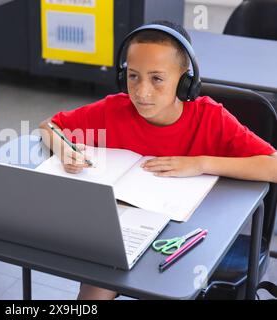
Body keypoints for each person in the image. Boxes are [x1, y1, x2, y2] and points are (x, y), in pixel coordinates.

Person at [38, 20, 277, 300]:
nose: (142, 92)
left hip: (189, 236)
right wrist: (64, 148)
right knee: (94, 289)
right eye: (133, 76)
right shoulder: (114, 109)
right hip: (126, 232)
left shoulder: (210, 118)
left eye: (157, 78)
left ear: (185, 81)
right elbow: (48, 126)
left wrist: (200, 163)